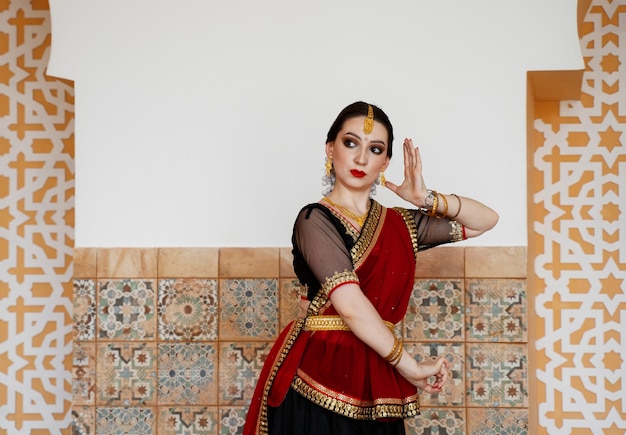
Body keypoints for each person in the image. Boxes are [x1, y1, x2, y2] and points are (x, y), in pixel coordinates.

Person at [244, 101, 499, 435]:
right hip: (319, 372)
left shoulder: (399, 224)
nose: (361, 158)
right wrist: (409, 366)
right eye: (351, 143)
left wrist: (425, 199)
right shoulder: (314, 220)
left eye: (374, 149)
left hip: (378, 370)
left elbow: (485, 221)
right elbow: (350, 306)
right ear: (330, 148)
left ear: (385, 162)